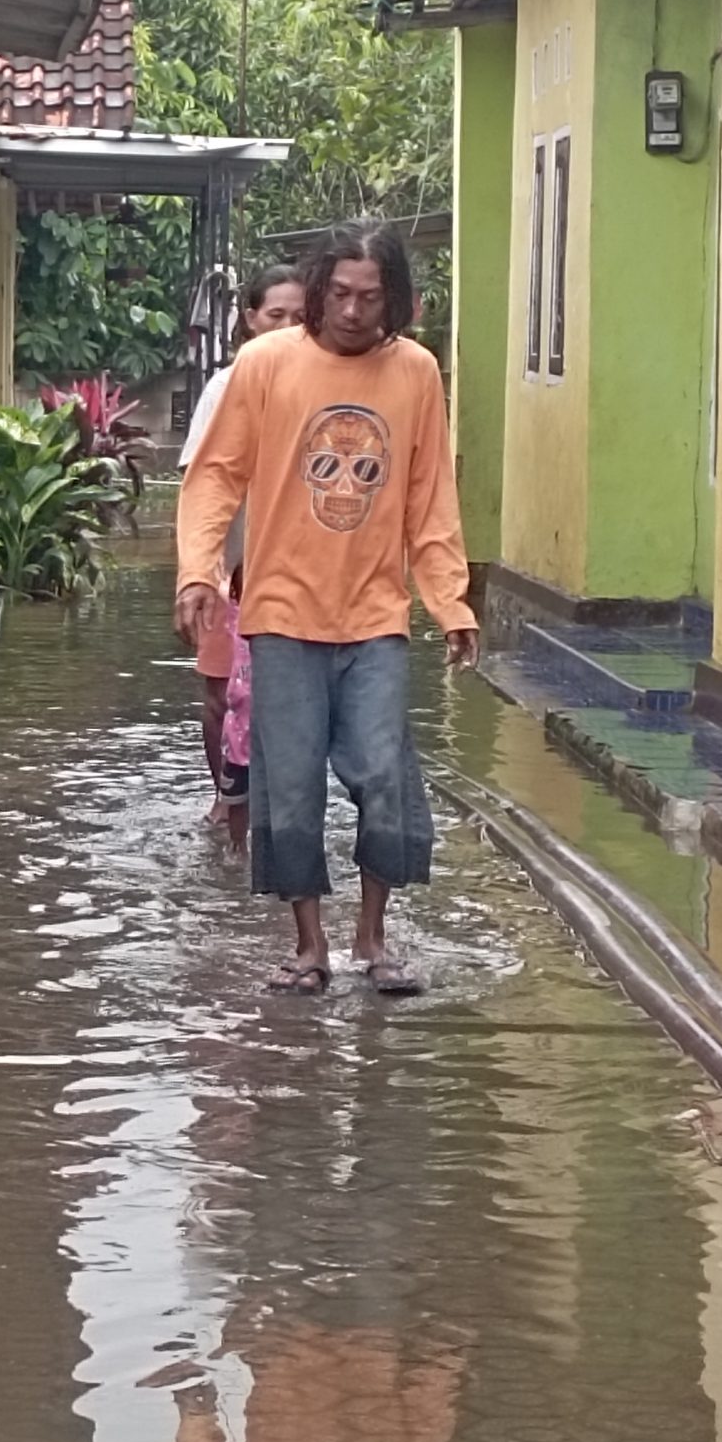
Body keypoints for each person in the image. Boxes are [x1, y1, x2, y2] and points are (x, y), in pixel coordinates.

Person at [175, 223, 479, 997]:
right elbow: (216, 476)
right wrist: (197, 571)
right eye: (339, 294)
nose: (352, 311)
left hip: (376, 616)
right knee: (291, 786)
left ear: (396, 300)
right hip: (279, 615)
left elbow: (429, 498)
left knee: (383, 775)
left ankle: (374, 939)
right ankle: (309, 947)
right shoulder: (266, 364)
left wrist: (449, 602)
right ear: (318, 291)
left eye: (370, 297)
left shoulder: (415, 373)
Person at [183, 266, 307, 818]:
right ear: (250, 320)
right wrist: (200, 574)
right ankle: (225, 798)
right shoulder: (224, 389)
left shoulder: (321, 388)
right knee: (219, 693)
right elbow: (202, 486)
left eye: (299, 317)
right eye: (275, 315)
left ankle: (277, 806)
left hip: (296, 575)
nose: (286, 327)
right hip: (228, 569)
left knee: (285, 697)